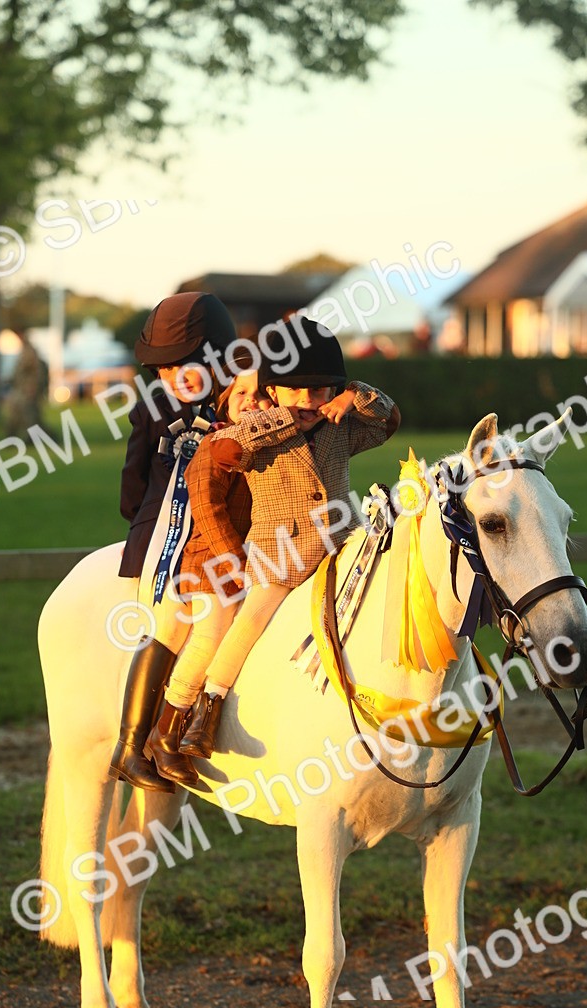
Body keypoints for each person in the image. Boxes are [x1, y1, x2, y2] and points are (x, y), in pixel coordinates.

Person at [186, 317, 401, 757]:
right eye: (295, 390)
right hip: (278, 557)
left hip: (344, 546)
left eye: (319, 390)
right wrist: (288, 422)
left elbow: (389, 421)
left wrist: (354, 393)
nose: (308, 399)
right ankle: (208, 705)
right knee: (250, 620)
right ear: (272, 392)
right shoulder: (257, 429)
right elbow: (226, 451)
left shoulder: (341, 427)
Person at [109, 291, 237, 791]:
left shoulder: (234, 405)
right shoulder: (151, 410)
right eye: (166, 368)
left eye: (189, 364)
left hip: (210, 542)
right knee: (169, 625)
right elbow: (133, 485)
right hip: (162, 537)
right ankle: (131, 745)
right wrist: (147, 528)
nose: (176, 375)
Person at [143, 368, 265, 785]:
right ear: (226, 401)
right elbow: (208, 511)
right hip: (205, 560)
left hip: (249, 561)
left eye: (260, 394)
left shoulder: (263, 447)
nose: (252, 400)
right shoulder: (214, 444)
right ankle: (166, 731)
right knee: (212, 631)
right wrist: (237, 564)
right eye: (242, 393)